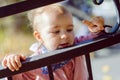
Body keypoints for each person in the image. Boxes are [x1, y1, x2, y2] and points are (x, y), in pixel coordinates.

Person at [2, 3, 104, 80]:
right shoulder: (35, 62)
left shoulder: (76, 44)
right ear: (39, 36)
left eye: (69, 29)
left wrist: (97, 30)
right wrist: (13, 60)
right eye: (56, 32)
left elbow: (94, 38)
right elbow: (16, 77)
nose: (64, 35)